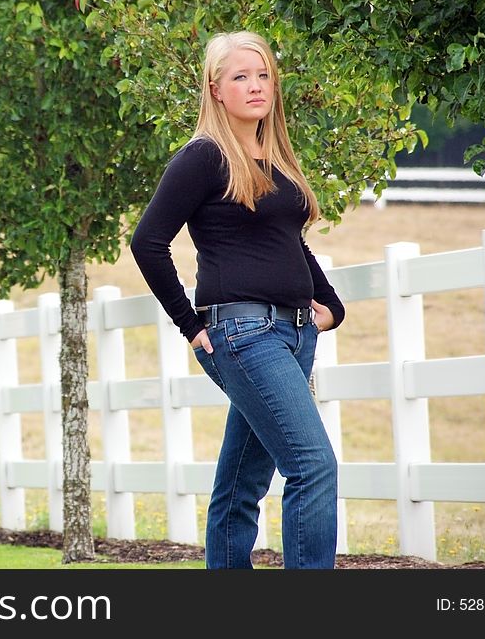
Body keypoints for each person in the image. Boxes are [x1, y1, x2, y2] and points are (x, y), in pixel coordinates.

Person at [130, 31, 345, 569]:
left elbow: (288, 241)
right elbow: (147, 241)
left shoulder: (274, 158)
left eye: (263, 74)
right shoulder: (204, 157)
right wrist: (190, 325)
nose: (255, 86)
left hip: (295, 335)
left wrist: (331, 305)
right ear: (215, 89)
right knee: (312, 465)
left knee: (241, 483)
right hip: (244, 334)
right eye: (240, 77)